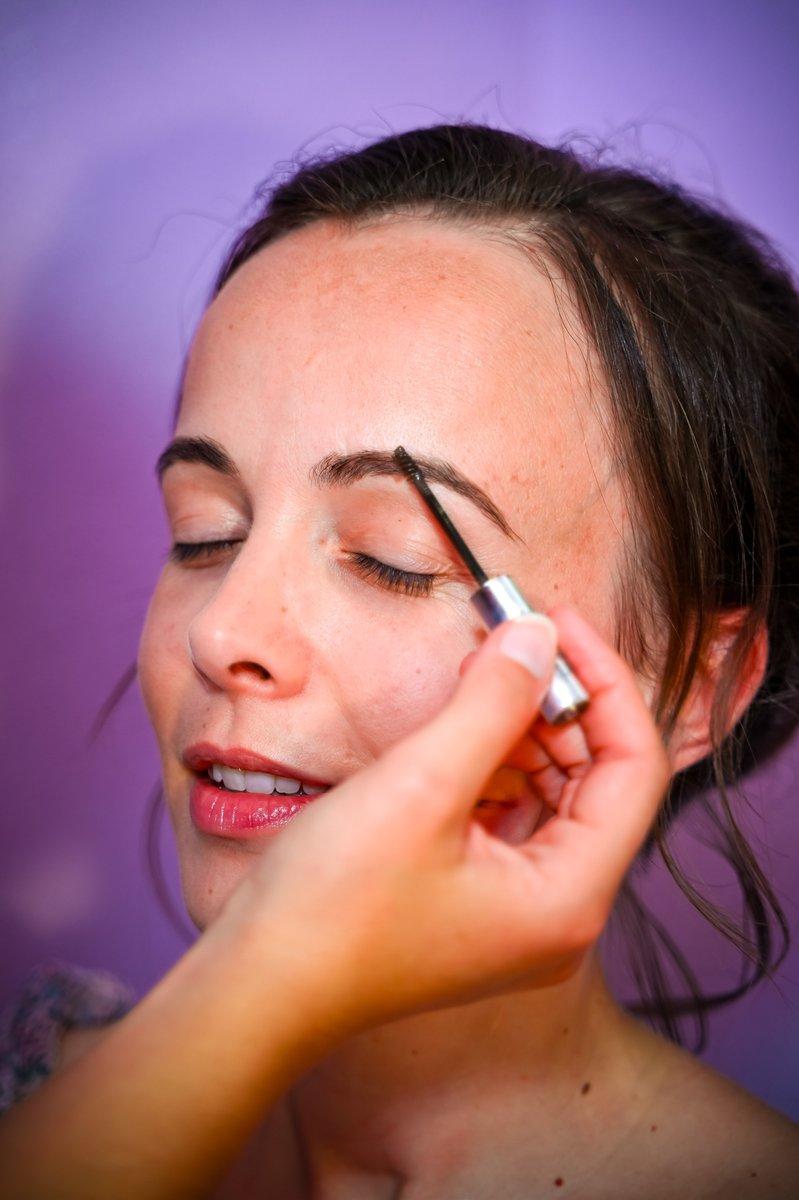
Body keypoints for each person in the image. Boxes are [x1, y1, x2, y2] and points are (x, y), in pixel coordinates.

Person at [1, 123, 798, 1198]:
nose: (222, 632)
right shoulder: (40, 1098)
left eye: (391, 559)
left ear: (695, 687)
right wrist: (267, 980)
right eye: (204, 533)